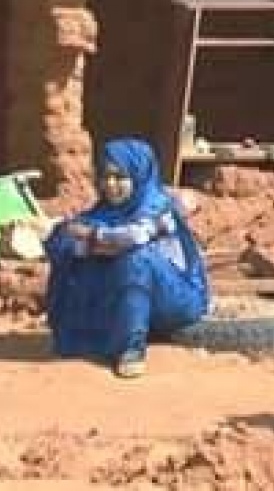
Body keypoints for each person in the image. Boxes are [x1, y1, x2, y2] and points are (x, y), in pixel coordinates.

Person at [43, 138, 210, 378]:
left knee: (135, 259)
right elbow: (66, 237)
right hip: (135, 301)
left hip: (175, 298)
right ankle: (87, 333)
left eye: (120, 177)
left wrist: (94, 238)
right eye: (105, 176)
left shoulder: (158, 207)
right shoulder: (103, 211)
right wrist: (89, 244)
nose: (110, 185)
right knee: (69, 248)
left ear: (139, 175)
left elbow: (135, 237)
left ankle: (130, 349)